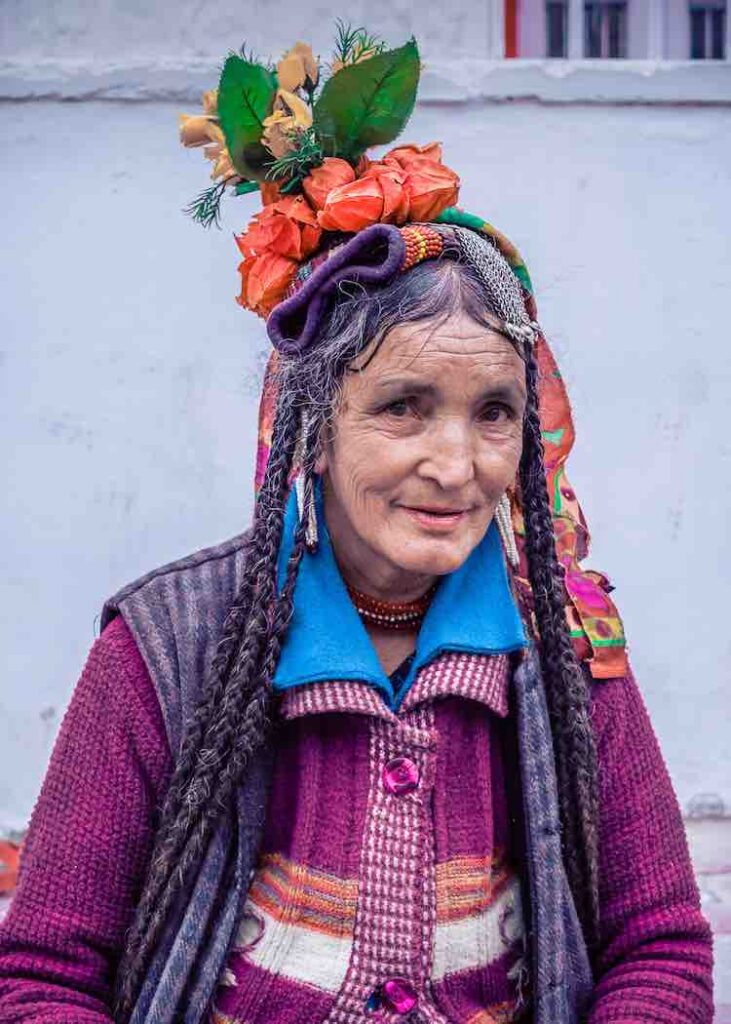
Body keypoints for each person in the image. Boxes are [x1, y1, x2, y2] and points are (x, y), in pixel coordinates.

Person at [0, 27, 714, 1024]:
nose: (455, 465)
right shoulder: (164, 652)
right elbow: (41, 977)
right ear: (310, 432)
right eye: (402, 407)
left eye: (492, 413)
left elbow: (659, 949)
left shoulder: (565, 644)